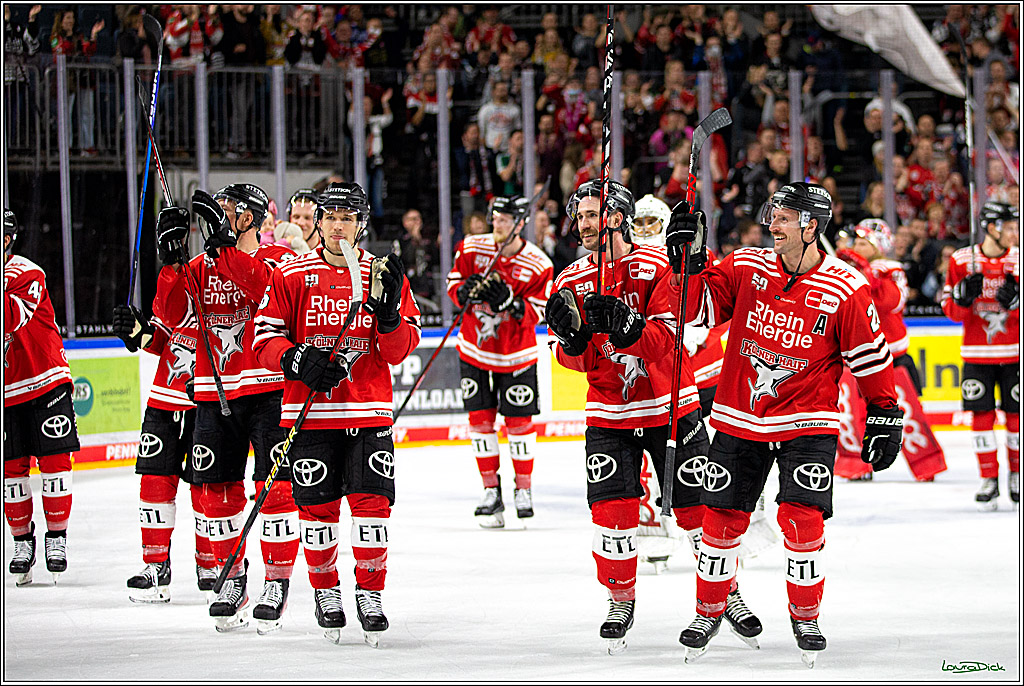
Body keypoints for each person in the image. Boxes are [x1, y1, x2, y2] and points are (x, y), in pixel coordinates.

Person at [666, 182, 903, 666]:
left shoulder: (846, 288)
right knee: (722, 520)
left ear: (811, 225)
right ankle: (708, 610)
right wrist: (685, 262)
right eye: (772, 213)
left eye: (784, 216)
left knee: (802, 520)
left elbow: (872, 359)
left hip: (808, 422)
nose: (772, 223)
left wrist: (884, 413)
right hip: (739, 418)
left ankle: (806, 614)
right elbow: (694, 307)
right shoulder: (746, 266)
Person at [545, 180, 760, 654]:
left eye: (591, 215)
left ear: (617, 217)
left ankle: (729, 593)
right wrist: (575, 344)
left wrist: (628, 328)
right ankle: (620, 599)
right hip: (609, 413)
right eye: (578, 216)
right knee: (612, 514)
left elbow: (666, 340)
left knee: (698, 513)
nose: (582, 225)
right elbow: (570, 360)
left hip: (672, 407)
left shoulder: (658, 264)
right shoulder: (568, 280)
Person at [253, 182, 421, 646]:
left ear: (361, 223)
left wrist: (388, 322)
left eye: (348, 217)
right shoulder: (290, 274)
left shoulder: (380, 273)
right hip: (308, 417)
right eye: (330, 216)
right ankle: (326, 592)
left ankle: (370, 594)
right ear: (319, 222)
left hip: (368, 413)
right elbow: (263, 339)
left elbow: (402, 348)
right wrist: (298, 361)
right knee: (317, 512)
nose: (338, 225)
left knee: (372, 509)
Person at [162, 184, 299, 633]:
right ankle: (232, 578)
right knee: (214, 490)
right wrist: (170, 262)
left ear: (254, 218)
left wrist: (223, 251)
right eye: (217, 211)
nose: (219, 217)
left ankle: (276, 581)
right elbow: (173, 314)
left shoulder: (278, 259)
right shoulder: (200, 265)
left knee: (274, 489)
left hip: (268, 390)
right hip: (212, 390)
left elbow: (262, 292)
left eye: (230, 211)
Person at [111, 209, 213, 602]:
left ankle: (211, 561)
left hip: (205, 396)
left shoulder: (230, 273)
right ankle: (156, 564)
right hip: (165, 396)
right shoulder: (183, 272)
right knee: (155, 481)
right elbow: (166, 329)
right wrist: (140, 333)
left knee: (207, 486)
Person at [446, 196, 554, 528]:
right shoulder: (470, 248)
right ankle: (490, 492)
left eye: (506, 220)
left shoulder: (539, 263)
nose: (499, 226)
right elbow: (454, 284)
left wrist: (510, 302)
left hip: (516, 354)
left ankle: (523, 490)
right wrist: (466, 293)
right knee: (480, 422)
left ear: (520, 224)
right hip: (475, 350)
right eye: (496, 219)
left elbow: (539, 311)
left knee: (519, 424)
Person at [3, 208, 78, 586]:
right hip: (6, 394)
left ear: (7, 240)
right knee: (11, 474)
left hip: (45, 381)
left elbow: (10, 318)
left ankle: (56, 538)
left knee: (54, 467)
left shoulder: (26, 273)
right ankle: (21, 542)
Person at [941, 202, 1019, 511]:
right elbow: (951, 311)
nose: (1015, 233)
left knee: (1016, 418)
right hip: (977, 353)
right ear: (992, 228)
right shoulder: (963, 260)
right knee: (982, 417)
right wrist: (961, 297)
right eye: (1010, 227)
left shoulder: (1020, 258)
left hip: (1015, 353)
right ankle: (989, 478)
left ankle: (1015, 475)